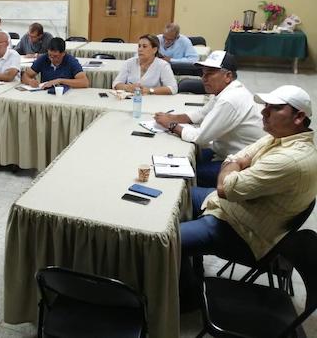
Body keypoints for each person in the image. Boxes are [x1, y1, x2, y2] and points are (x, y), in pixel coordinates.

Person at [179, 85, 317, 309]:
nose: (264, 112)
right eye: (266, 106)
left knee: (168, 241)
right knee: (178, 198)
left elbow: (226, 188)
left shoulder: (291, 159)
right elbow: (240, 157)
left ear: (299, 117)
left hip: (241, 232)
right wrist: (235, 163)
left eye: (274, 108)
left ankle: (187, 296)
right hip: (231, 209)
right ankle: (190, 269)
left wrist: (233, 165)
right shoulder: (281, 137)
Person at [154, 51, 264, 187]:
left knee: (180, 173)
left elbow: (200, 137)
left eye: (210, 73)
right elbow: (201, 113)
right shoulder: (227, 90)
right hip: (224, 152)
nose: (204, 78)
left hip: (239, 164)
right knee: (181, 156)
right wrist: (172, 117)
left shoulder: (230, 99)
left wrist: (171, 124)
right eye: (203, 73)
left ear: (228, 76)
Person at [112, 34, 177, 95]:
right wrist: (127, 87)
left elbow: (173, 88)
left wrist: (150, 90)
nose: (140, 49)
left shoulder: (163, 65)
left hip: (154, 101)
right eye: (139, 46)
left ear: (154, 50)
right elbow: (116, 84)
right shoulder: (129, 63)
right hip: (132, 100)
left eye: (144, 46)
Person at [22, 37, 89, 89]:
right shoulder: (44, 59)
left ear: (63, 53)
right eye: (50, 55)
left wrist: (60, 81)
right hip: (45, 93)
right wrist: (30, 81)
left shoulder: (71, 61)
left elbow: (84, 82)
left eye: (55, 56)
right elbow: (25, 75)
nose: (52, 59)